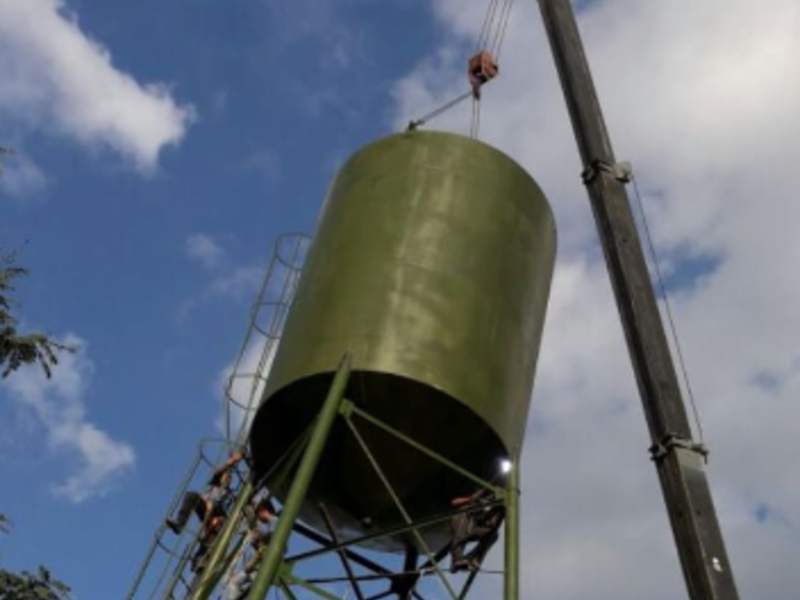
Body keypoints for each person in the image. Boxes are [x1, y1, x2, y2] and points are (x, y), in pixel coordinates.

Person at [166, 450, 244, 536]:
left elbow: (227, 510)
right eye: (225, 476)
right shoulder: (215, 484)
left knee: (213, 531)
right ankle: (180, 523)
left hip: (216, 513)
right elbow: (218, 472)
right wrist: (231, 462)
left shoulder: (230, 495)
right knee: (191, 496)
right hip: (205, 506)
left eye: (229, 477)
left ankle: (208, 540)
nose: (227, 478)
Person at [224, 499, 275, 600]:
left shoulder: (274, 521)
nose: (259, 518)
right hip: (257, 566)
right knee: (233, 583)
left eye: (258, 514)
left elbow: (270, 536)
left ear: (263, 510)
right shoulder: (269, 524)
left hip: (263, 568)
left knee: (237, 584)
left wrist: (259, 537)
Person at [449, 488, 505, 573]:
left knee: (493, 535)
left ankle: (472, 558)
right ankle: (457, 559)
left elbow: (490, 522)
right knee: (463, 520)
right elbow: (454, 502)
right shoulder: (470, 503)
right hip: (462, 522)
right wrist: (471, 499)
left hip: (473, 528)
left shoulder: (487, 504)